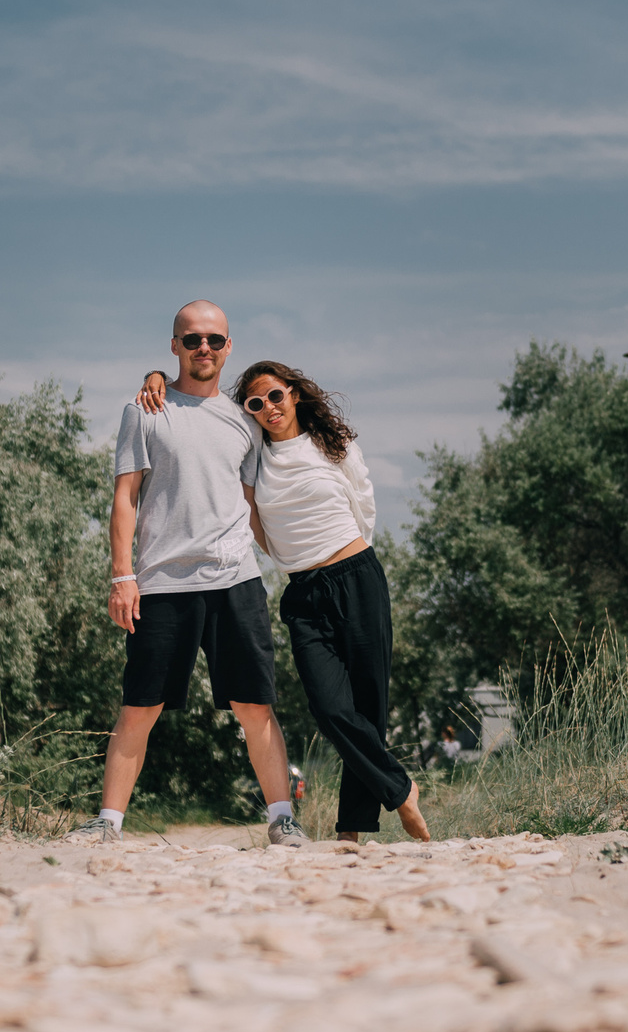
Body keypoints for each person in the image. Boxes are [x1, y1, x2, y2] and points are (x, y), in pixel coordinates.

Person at [138, 359, 431, 845]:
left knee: (369, 709)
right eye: (256, 402)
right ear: (248, 411)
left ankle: (351, 833)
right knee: (330, 707)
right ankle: (402, 790)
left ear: (293, 394)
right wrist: (157, 379)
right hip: (302, 592)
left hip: (357, 577)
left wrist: (351, 561)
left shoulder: (333, 444)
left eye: (275, 396)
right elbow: (201, 405)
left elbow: (364, 502)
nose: (268, 408)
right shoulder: (254, 452)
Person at [70, 301, 310, 848]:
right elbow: (125, 498)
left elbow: (253, 503)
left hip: (236, 579)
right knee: (140, 706)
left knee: (255, 704)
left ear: (229, 348)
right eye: (193, 339)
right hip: (162, 583)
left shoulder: (245, 418)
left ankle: (280, 818)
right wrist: (120, 575)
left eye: (215, 340)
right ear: (174, 345)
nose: (205, 348)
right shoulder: (144, 411)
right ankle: (106, 823)